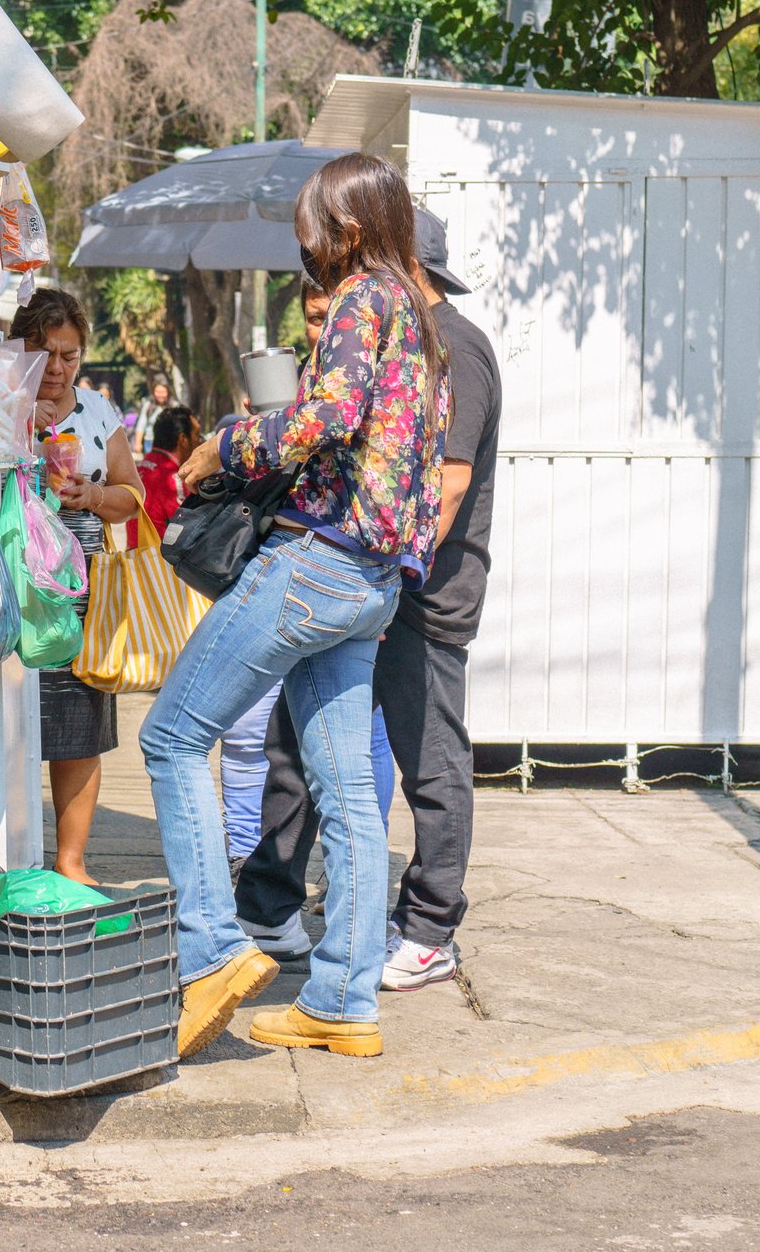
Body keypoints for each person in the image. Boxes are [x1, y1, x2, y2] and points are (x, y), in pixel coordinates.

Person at [150, 152, 450, 1061]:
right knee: (350, 793)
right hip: (373, 580)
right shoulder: (421, 319)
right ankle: (344, 1000)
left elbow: (325, 417)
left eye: (312, 223)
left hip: (316, 563)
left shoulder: (364, 298)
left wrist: (225, 446)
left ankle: (210, 948)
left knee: (170, 736)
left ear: (349, 227)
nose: (304, 240)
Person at [232, 204, 502, 993]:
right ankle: (269, 904)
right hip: (362, 578)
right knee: (296, 741)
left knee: (431, 761)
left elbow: (447, 489)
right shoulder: (401, 340)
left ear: (406, 263)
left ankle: (429, 925)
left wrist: (393, 576)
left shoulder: (457, 351)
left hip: (420, 592)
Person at [18, 290, 145, 889]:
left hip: (80, 584)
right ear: (21, 350)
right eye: (46, 354)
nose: (58, 369)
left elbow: (131, 496)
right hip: (16, 577)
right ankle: (10, 853)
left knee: (79, 723)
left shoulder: (97, 413)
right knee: (9, 715)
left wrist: (92, 496)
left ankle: (71, 862)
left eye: (69, 356)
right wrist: (14, 425)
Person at [135, 405, 198, 536]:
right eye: (197, 435)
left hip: (134, 553)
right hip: (158, 554)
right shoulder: (172, 478)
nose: (201, 441)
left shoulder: (141, 466)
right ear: (183, 440)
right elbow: (188, 528)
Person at [133, 378, 175, 454]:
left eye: (163, 392)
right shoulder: (148, 405)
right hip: (150, 443)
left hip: (169, 444)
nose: (160, 395)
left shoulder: (174, 406)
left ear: (168, 392)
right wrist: (138, 443)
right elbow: (141, 425)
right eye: (158, 392)